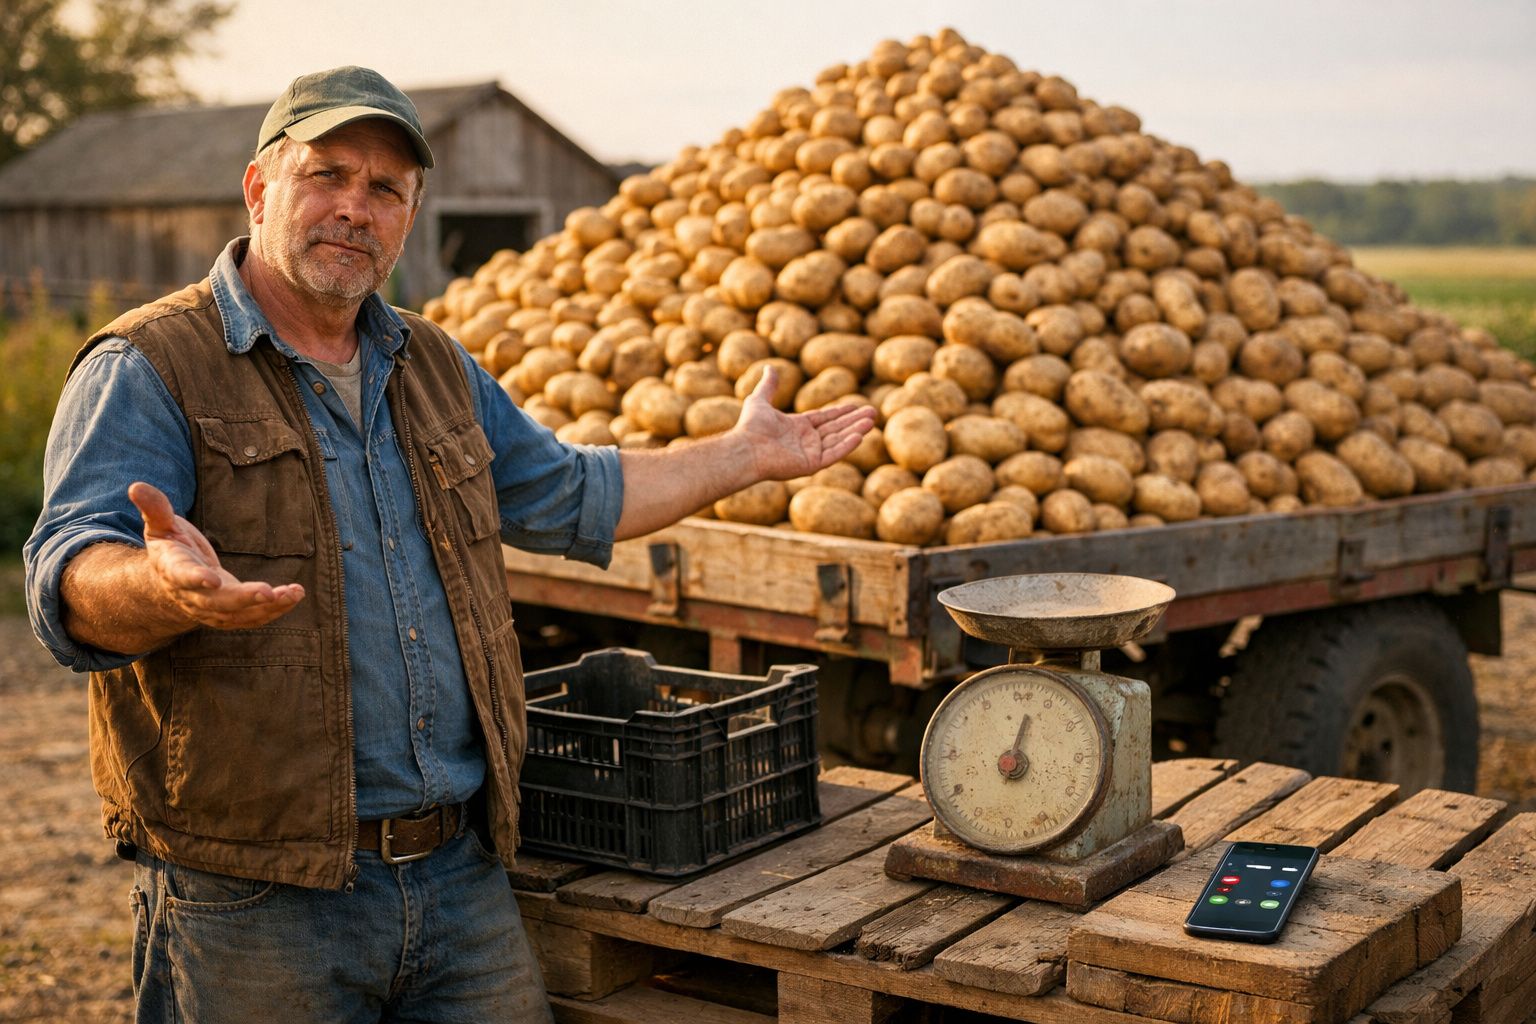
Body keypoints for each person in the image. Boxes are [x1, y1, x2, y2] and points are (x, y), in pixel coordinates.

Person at [23, 66, 875, 1023]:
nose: (354, 208)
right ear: (260, 189)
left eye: (385, 189)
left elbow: (577, 493)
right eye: (327, 175)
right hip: (257, 899)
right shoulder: (150, 364)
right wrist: (159, 587)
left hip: (458, 880)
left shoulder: (429, 364)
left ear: (411, 214)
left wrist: (745, 454)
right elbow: (69, 574)